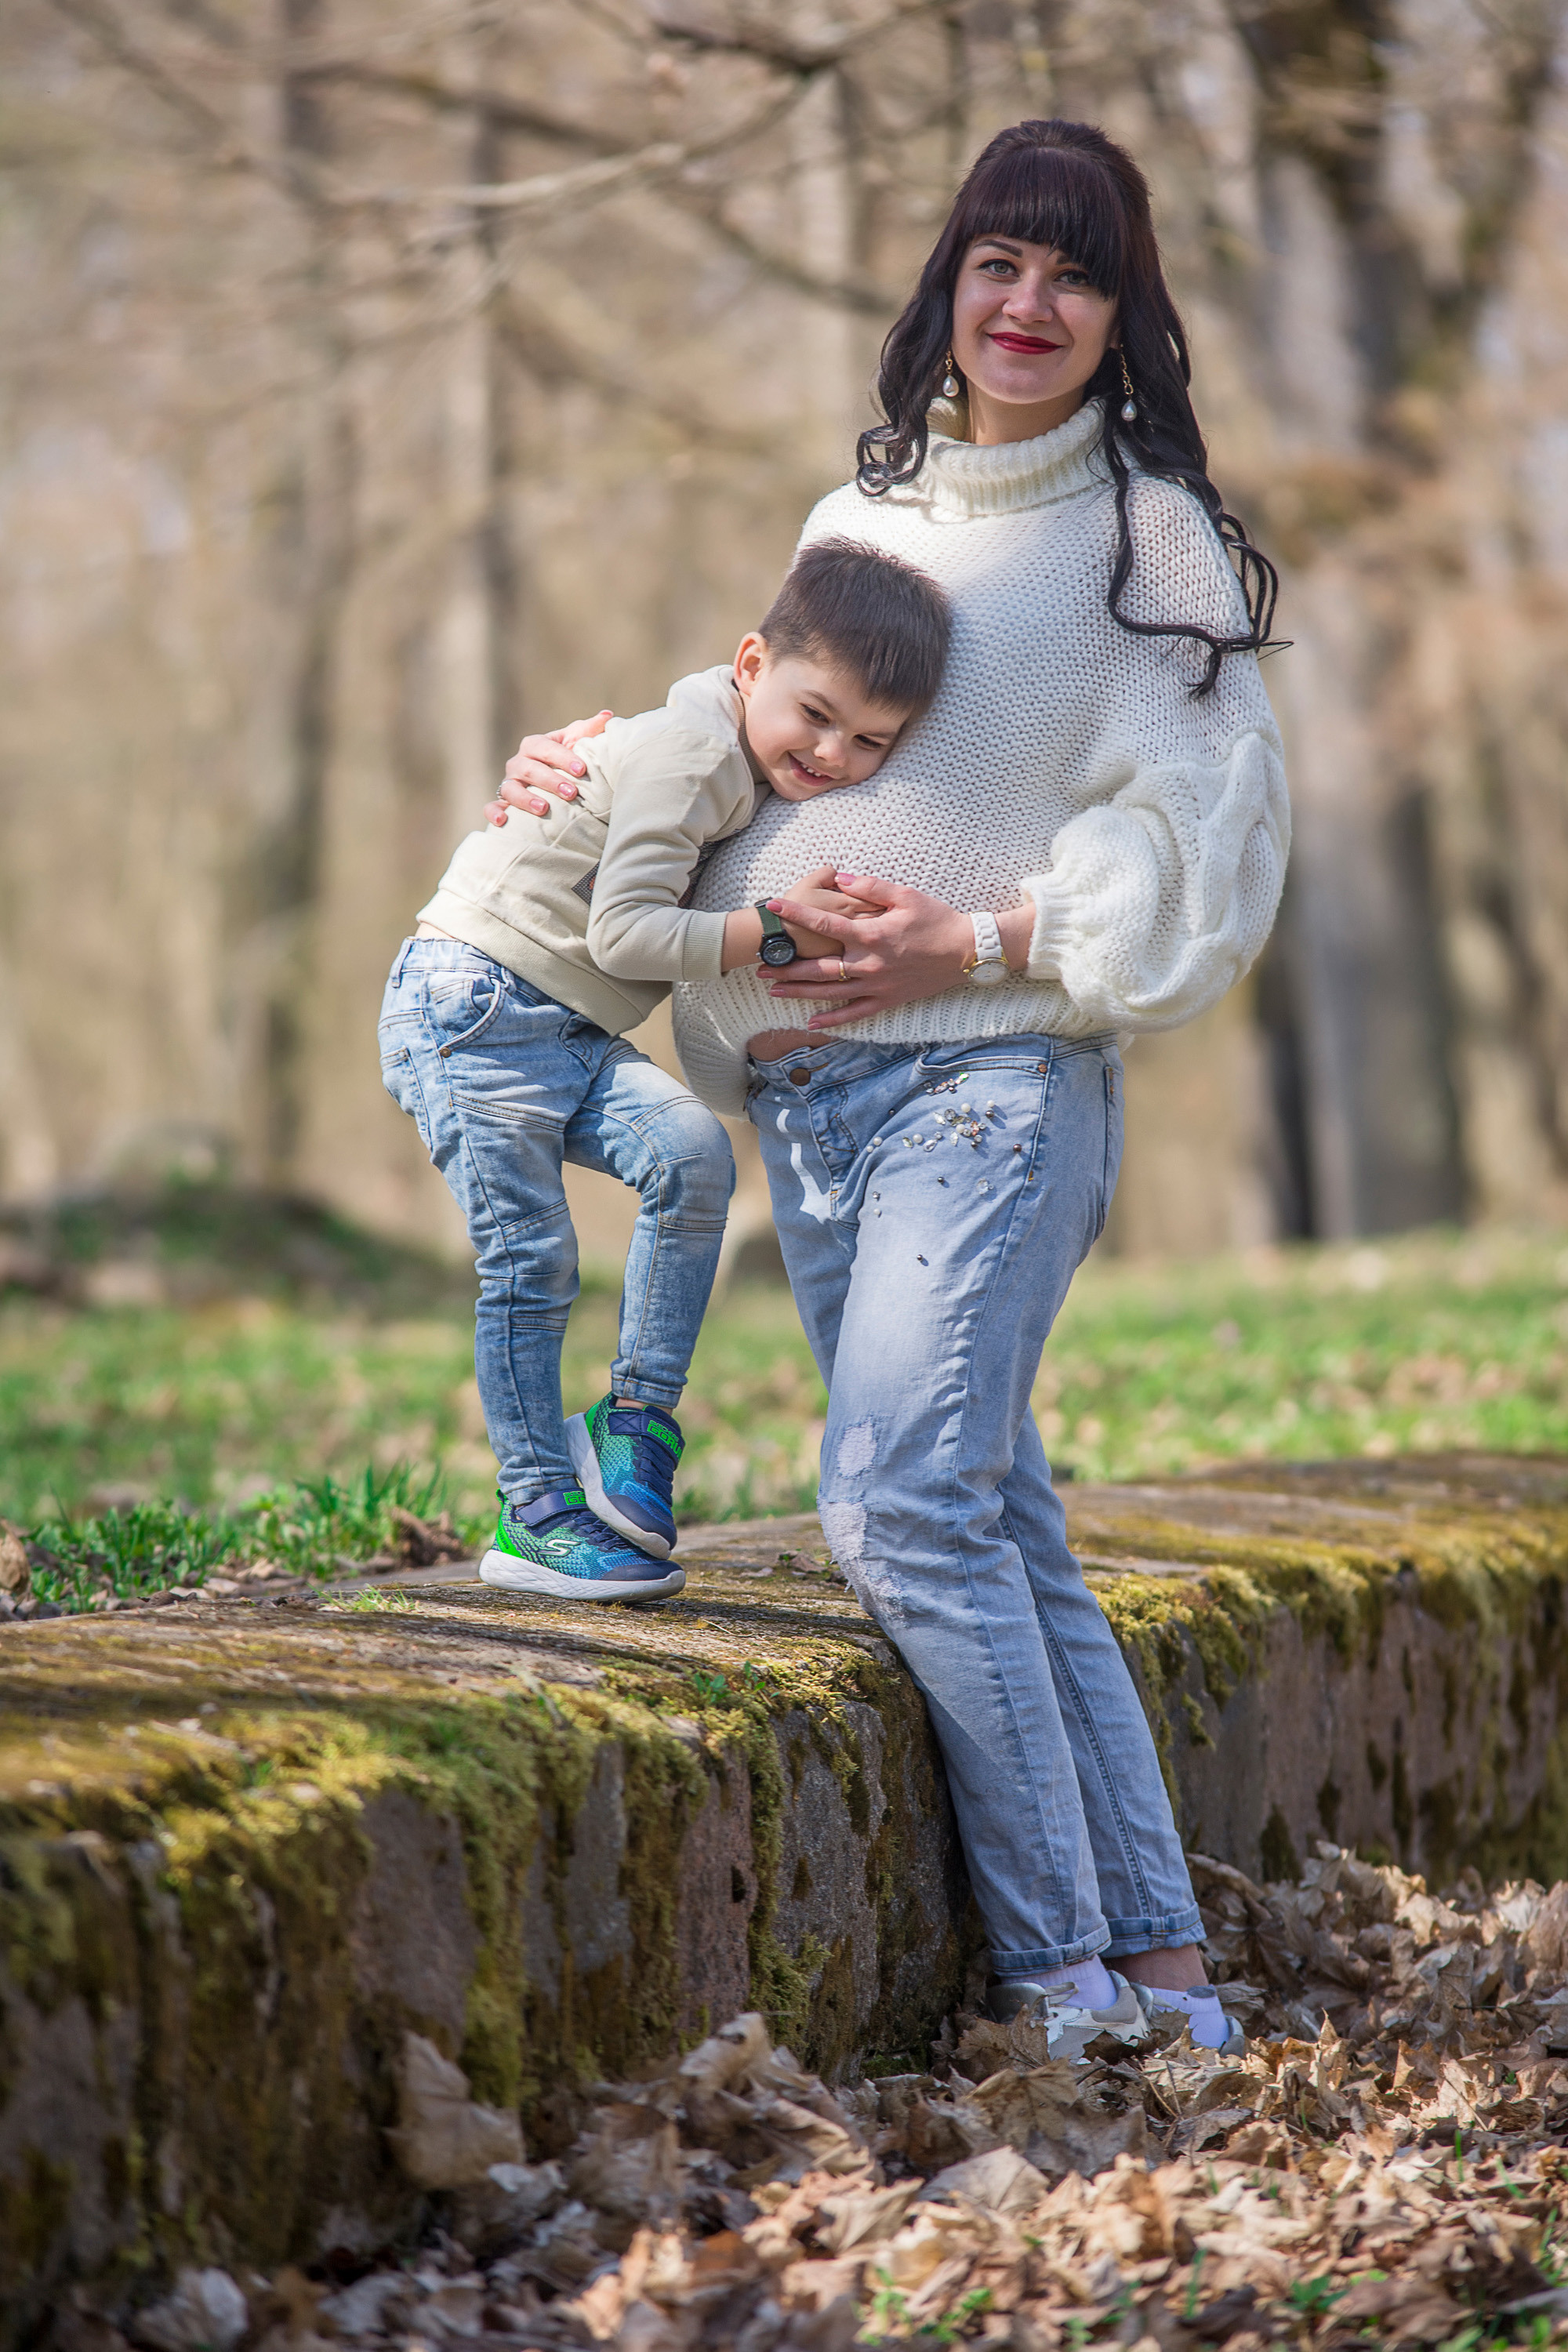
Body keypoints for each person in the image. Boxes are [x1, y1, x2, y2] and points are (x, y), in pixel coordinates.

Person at [492, 120, 1288, 2053]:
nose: (1028, 305)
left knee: (898, 1506)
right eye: (997, 263)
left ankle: (1062, 1982)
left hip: (989, 1098)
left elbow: (1208, 844)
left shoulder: (1146, 541)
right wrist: (577, 764)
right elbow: (758, 731)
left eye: (1072, 273)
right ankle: (1168, 1980)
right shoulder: (870, 515)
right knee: (993, 1515)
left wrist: (974, 942)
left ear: (1123, 313)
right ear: (946, 283)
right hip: (822, 1126)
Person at [380, 540, 951, 1604]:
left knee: (692, 1157)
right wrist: (774, 935)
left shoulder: (734, 754)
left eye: (873, 740)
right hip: (474, 1003)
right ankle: (536, 1511)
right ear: (749, 666)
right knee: (532, 1260)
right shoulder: (693, 757)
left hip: (565, 1023)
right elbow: (628, 932)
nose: (832, 753)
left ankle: (634, 1420)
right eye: (816, 714)